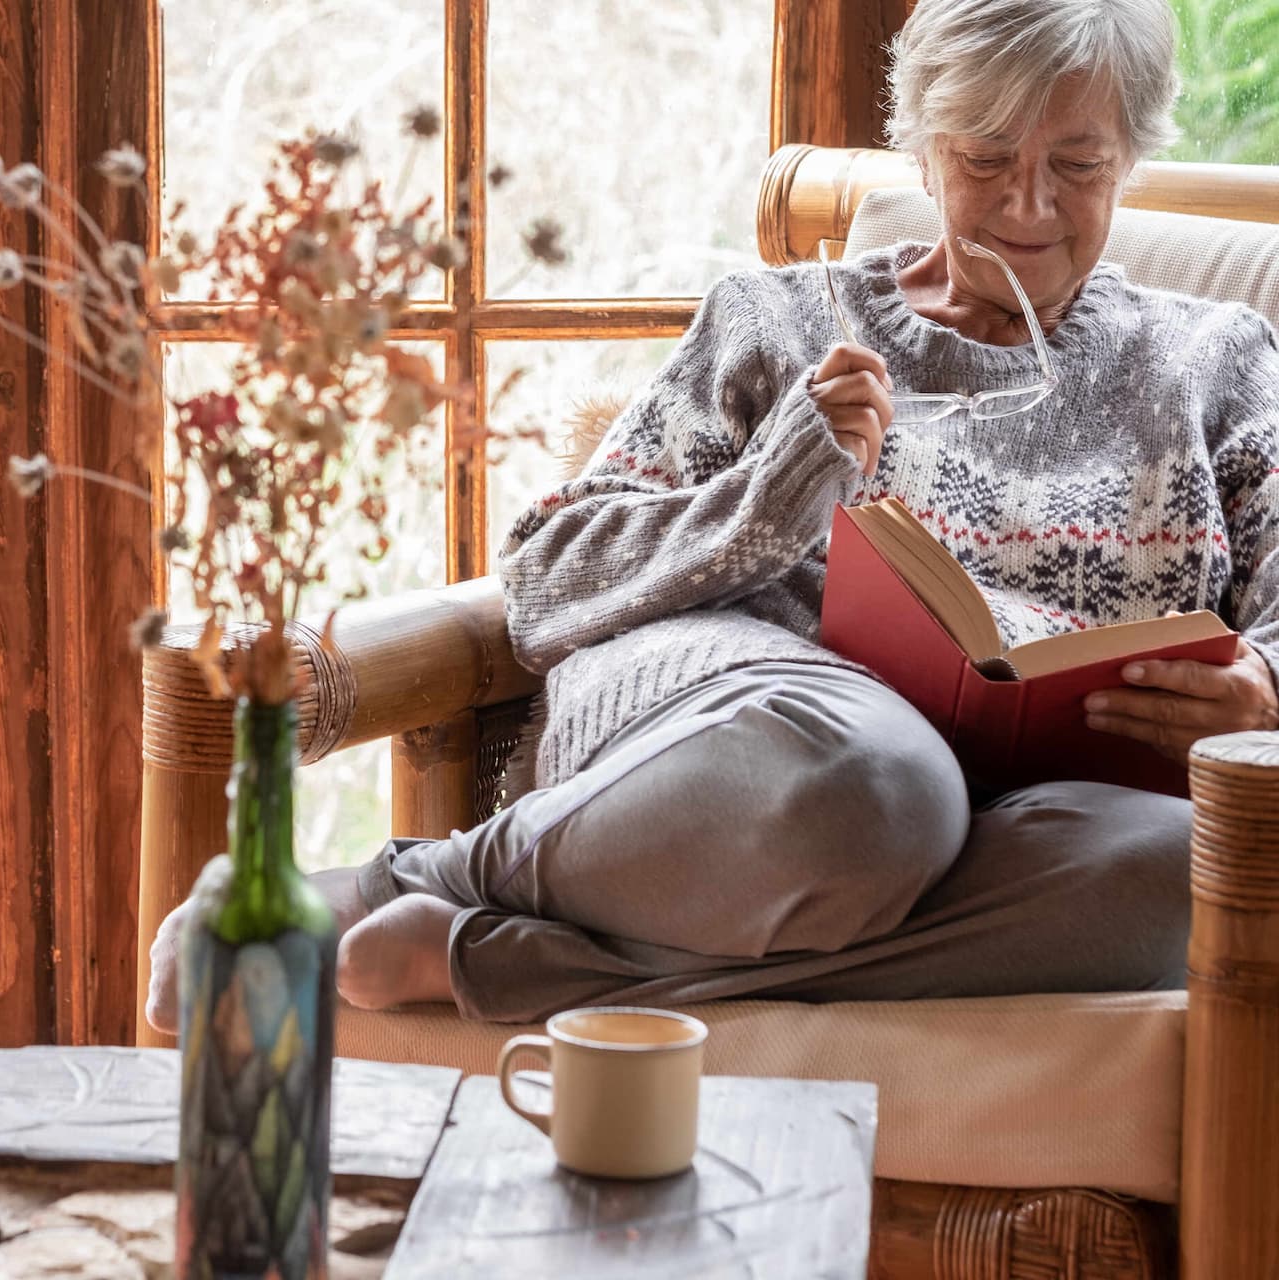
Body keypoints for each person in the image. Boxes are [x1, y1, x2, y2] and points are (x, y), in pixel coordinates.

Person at [147, 0, 1279, 1033]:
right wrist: (766, 498)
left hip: (1030, 819)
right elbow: (546, 581)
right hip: (757, 749)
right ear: (925, 147)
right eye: (987, 159)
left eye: (1077, 164)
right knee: (881, 787)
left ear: (1131, 153)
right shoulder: (776, 320)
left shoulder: (1213, 359)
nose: (1029, 207)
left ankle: (510, 958)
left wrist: (1258, 692)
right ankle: (428, 876)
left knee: (1197, 875)